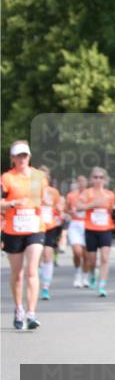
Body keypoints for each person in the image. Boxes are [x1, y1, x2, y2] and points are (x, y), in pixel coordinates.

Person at [1, 140, 47, 329]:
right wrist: (12, 203)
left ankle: (31, 313)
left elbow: (41, 200)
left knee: (31, 270)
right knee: (17, 274)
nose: (22, 159)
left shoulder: (38, 177)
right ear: (12, 158)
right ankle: (19, 308)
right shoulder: (7, 178)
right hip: (13, 229)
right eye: (18, 156)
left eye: (24, 155)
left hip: (35, 227)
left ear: (29, 157)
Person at [77, 167, 115, 297]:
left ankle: (102, 285)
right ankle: (92, 273)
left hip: (105, 229)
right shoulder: (87, 193)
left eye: (101, 177)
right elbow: (78, 208)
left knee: (105, 258)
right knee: (92, 260)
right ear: (91, 179)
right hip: (91, 229)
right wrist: (93, 204)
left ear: (105, 180)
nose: (98, 180)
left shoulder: (110, 194)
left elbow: (111, 209)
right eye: (95, 177)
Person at [36, 165, 64, 301]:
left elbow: (59, 207)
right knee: (37, 255)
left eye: (45, 176)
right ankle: (38, 276)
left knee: (47, 254)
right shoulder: (32, 191)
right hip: (35, 225)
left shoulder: (53, 192)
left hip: (50, 225)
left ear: (48, 178)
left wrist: (57, 207)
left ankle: (45, 287)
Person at [65, 174, 89, 288]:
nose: (81, 183)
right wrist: (71, 211)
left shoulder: (90, 194)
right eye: (79, 181)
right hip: (75, 224)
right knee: (77, 252)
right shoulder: (71, 195)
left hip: (87, 224)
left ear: (86, 182)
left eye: (83, 181)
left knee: (86, 254)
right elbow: (66, 208)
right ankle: (77, 273)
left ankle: (85, 276)